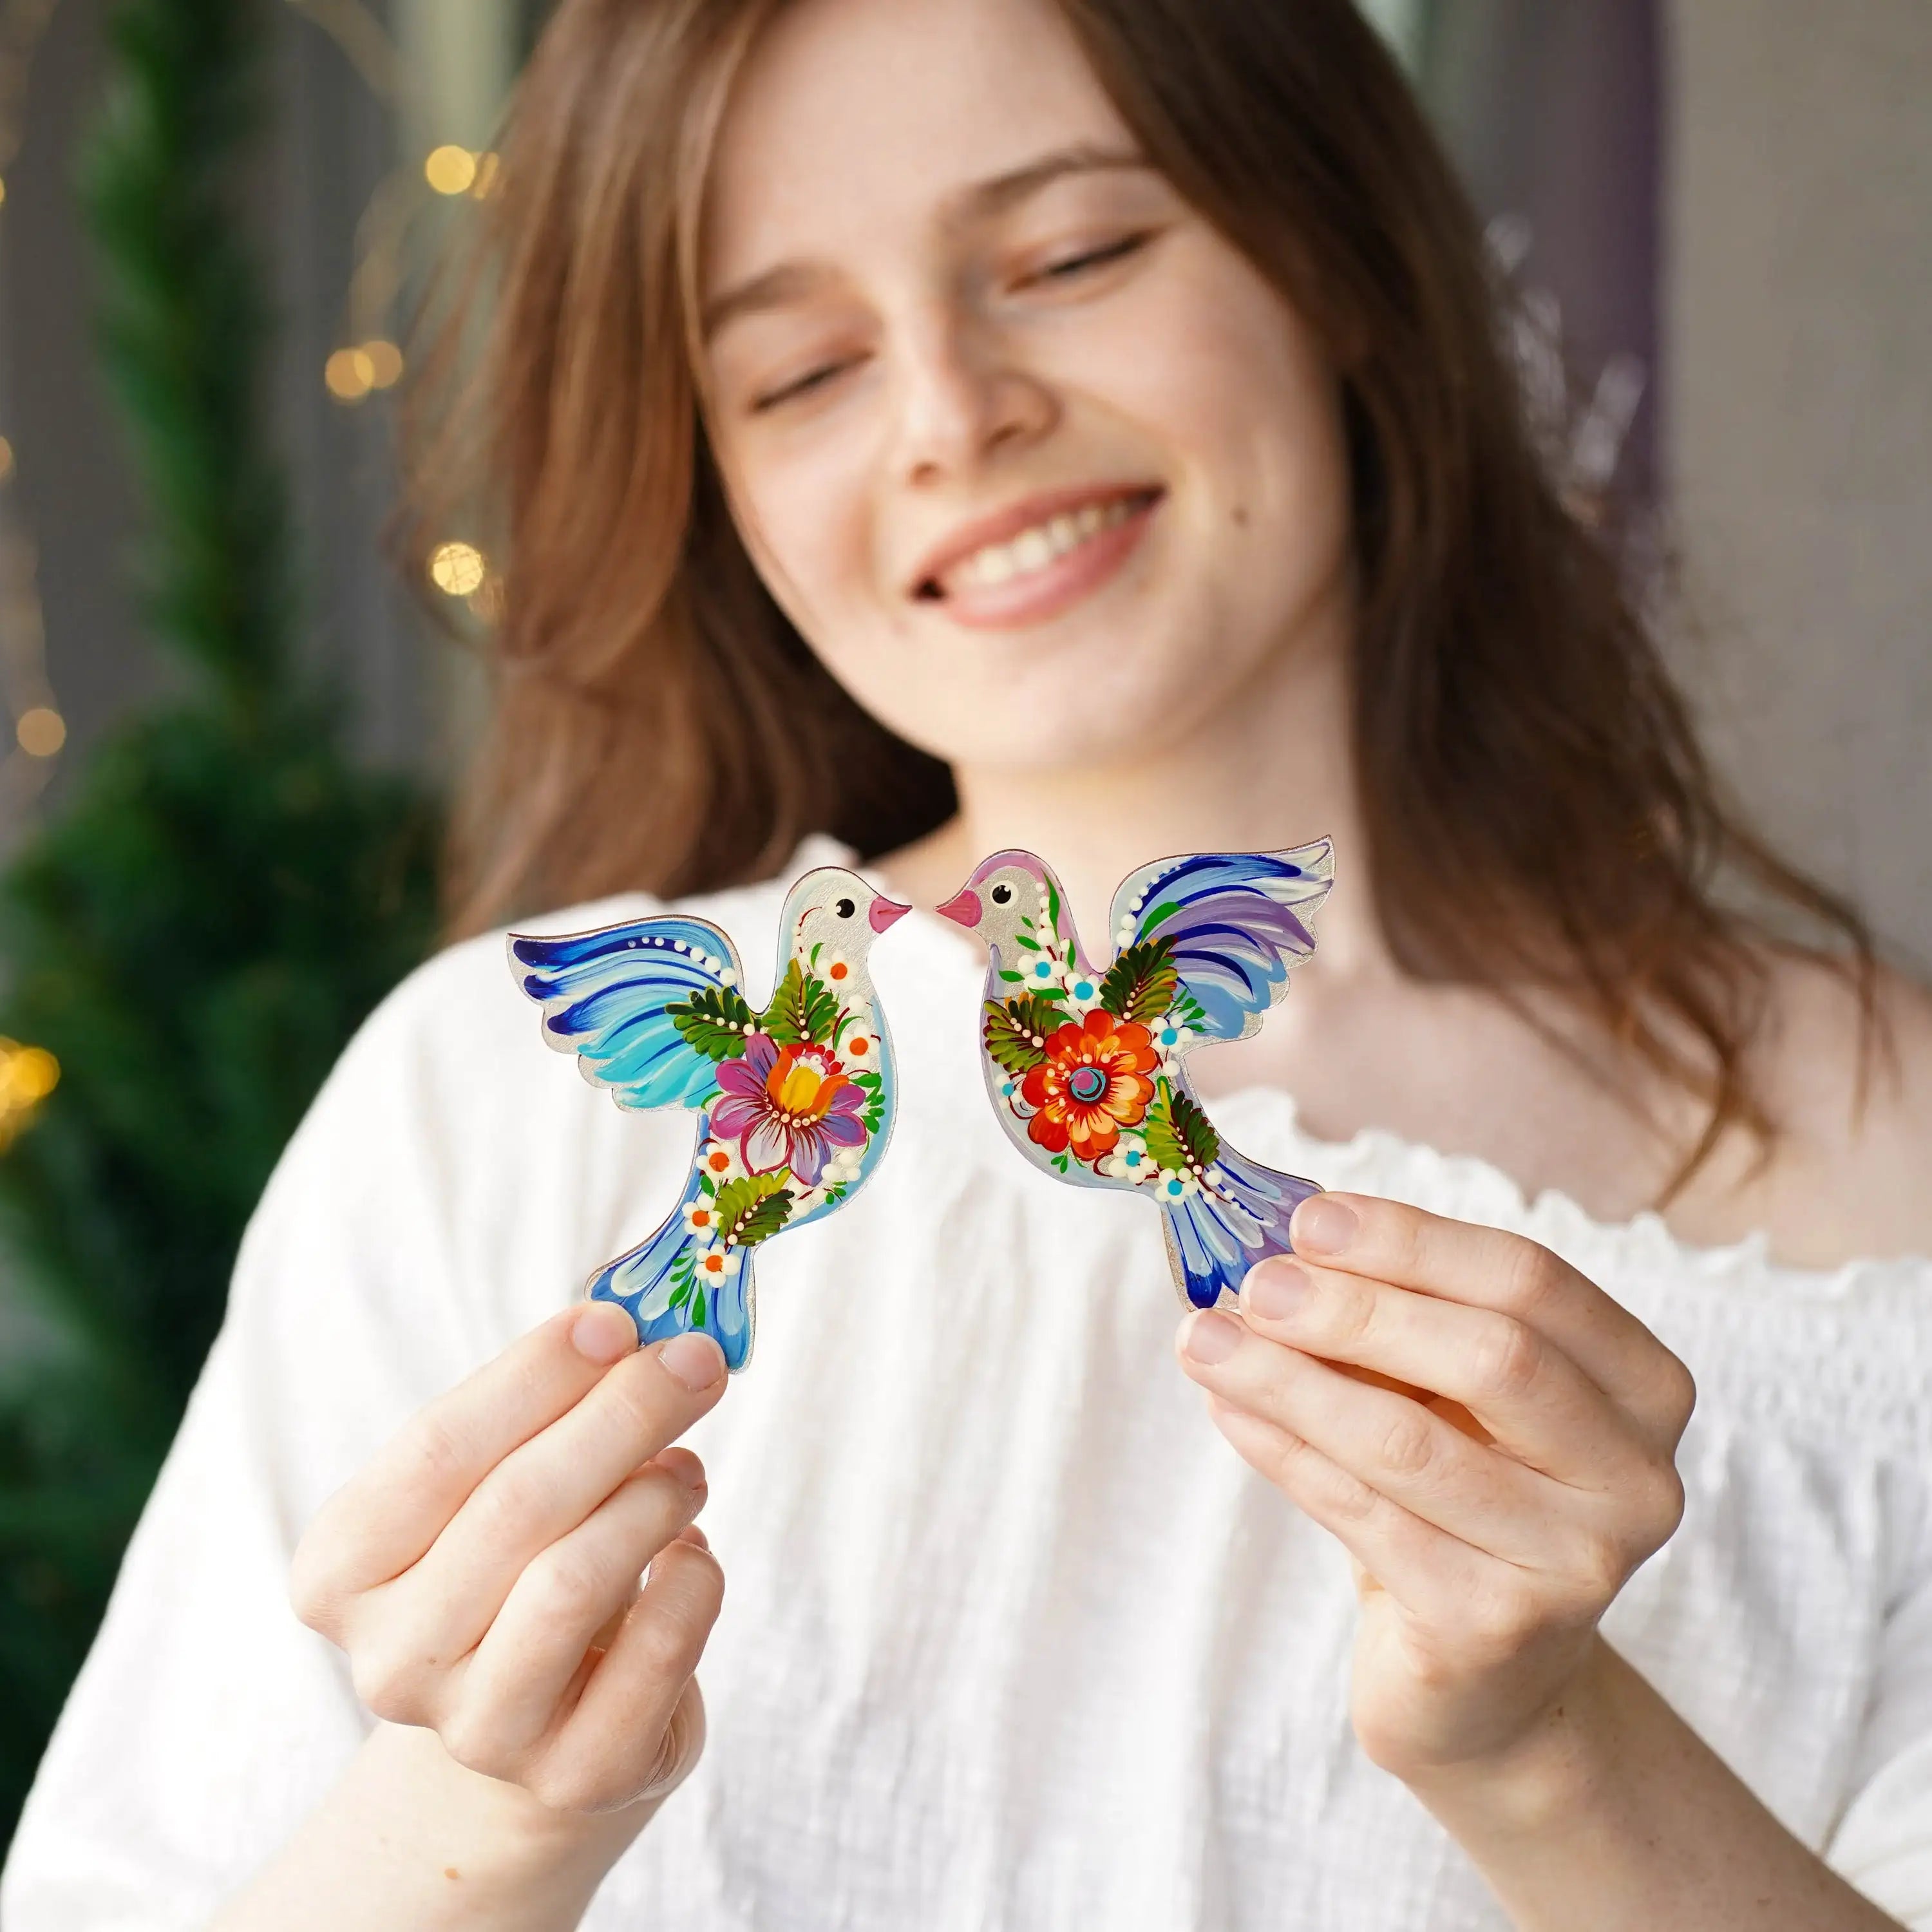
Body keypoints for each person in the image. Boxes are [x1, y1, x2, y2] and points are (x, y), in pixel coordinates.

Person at [6, 0, 1931, 1926]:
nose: (952, 414)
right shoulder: (504, 1101)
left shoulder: (1886, 1162)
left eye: (1075, 256)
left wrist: (1548, 1749)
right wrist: (485, 1815)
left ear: (1335, 249)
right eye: (803, 371)